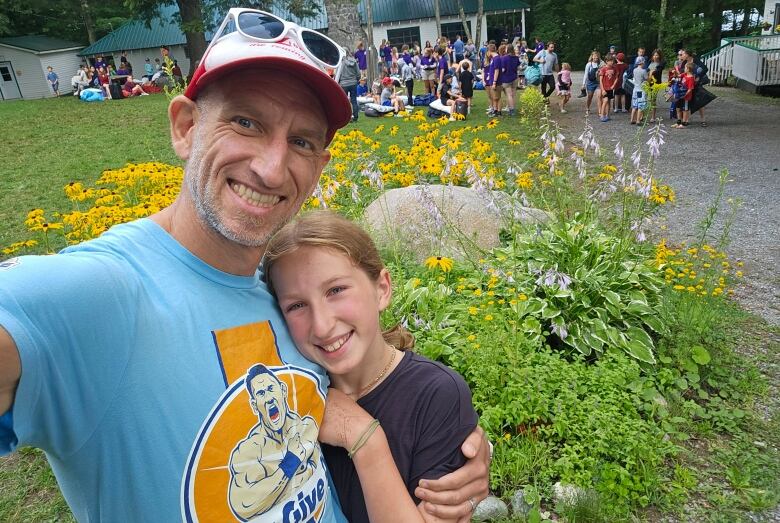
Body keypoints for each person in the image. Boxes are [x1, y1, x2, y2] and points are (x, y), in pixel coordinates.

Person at [0, 8, 490, 522]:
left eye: (301, 141)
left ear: (319, 168)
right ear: (186, 128)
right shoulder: (104, 293)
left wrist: (452, 437)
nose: (272, 167)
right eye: (246, 122)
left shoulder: (285, 297)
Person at [263, 210, 479, 523]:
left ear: (382, 288)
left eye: (336, 290)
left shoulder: (436, 395)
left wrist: (364, 438)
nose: (322, 326)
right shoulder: (289, 393)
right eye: (296, 306)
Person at [339, 47, 361, 122]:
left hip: (343, 83)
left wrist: (338, 82)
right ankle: (355, 117)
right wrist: (356, 80)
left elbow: (338, 73)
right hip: (353, 82)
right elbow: (358, 73)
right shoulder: (354, 61)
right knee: (354, 100)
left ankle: (346, 117)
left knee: (344, 101)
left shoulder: (340, 62)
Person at [672, 61, 695, 128]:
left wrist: (685, 95)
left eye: (685, 67)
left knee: (685, 110)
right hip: (680, 95)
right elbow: (677, 76)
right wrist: (675, 72)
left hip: (686, 97)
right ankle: (679, 122)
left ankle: (684, 123)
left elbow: (690, 89)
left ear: (688, 69)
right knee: (678, 108)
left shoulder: (690, 78)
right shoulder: (684, 74)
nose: (684, 69)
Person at [499, 44, 519, 116]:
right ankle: (512, 108)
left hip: (506, 78)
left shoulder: (504, 58)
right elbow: (518, 67)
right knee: (513, 95)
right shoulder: (516, 58)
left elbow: (503, 69)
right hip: (514, 77)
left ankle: (511, 110)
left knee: (509, 95)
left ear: (507, 49)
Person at [598, 55, 618, 122]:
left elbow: (616, 78)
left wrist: (613, 85)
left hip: (610, 88)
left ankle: (608, 115)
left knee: (609, 102)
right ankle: (602, 115)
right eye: (610, 61)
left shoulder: (614, 68)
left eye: (612, 61)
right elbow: (600, 80)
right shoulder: (603, 69)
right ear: (606, 61)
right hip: (604, 88)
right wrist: (602, 89)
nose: (612, 62)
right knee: (605, 100)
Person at [630, 56, 648, 125]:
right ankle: (638, 120)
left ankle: (632, 119)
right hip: (641, 90)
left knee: (634, 106)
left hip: (635, 89)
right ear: (642, 63)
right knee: (640, 106)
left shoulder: (634, 70)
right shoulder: (644, 71)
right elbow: (646, 79)